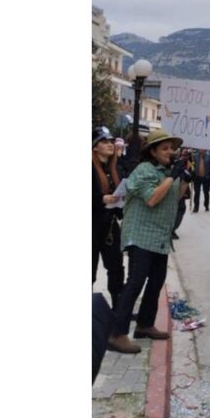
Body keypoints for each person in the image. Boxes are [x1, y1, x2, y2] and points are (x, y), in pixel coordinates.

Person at [109, 129, 186, 354]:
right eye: (165, 148)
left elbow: (175, 196)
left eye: (172, 148)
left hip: (160, 237)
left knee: (156, 282)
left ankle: (144, 325)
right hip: (141, 235)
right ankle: (117, 334)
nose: (170, 152)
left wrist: (183, 179)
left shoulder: (166, 171)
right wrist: (172, 177)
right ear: (152, 151)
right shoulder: (144, 170)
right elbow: (152, 199)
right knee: (135, 283)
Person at [92, 126, 125, 308]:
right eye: (104, 141)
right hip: (91, 225)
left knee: (116, 268)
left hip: (110, 225)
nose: (110, 144)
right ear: (94, 146)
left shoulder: (114, 168)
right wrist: (100, 199)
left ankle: (117, 311)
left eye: (111, 141)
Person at [172, 149, 192, 239]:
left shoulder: (189, 164)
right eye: (184, 155)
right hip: (175, 189)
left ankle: (172, 229)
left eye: (187, 155)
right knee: (178, 209)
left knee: (181, 209)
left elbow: (191, 176)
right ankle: (171, 230)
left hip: (182, 190)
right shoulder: (178, 163)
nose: (185, 157)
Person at [192, 148, 210, 212]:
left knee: (206, 192)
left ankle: (206, 205)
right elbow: (192, 165)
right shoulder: (194, 156)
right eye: (199, 148)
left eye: (202, 148)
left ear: (204, 149)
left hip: (206, 177)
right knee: (196, 193)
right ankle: (196, 207)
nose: (200, 149)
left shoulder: (209, 156)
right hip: (197, 177)